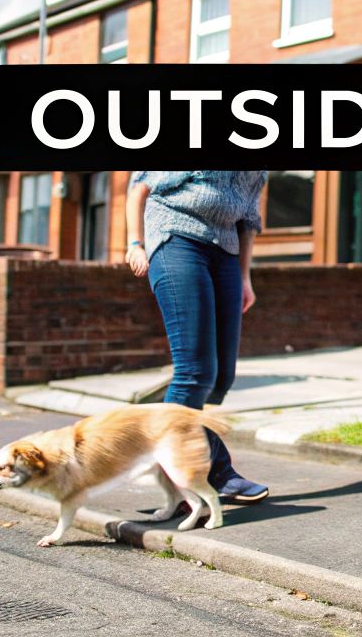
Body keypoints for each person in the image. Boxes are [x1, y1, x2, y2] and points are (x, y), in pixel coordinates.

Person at [126, 170, 270, 504]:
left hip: (226, 253)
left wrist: (245, 278)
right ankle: (208, 474)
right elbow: (140, 186)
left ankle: (165, 452)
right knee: (195, 372)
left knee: (220, 378)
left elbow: (248, 220)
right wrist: (135, 243)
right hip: (178, 239)